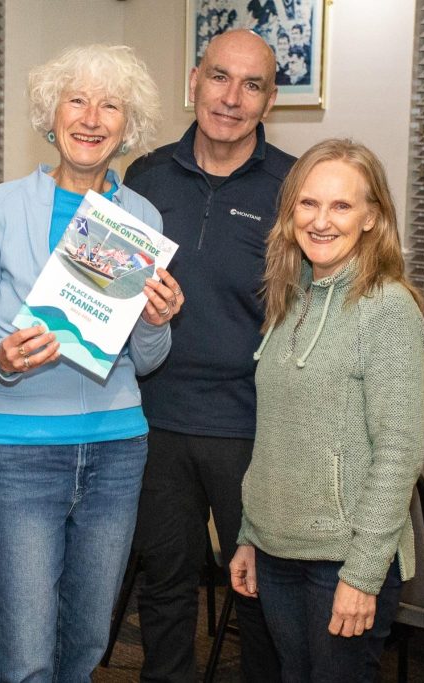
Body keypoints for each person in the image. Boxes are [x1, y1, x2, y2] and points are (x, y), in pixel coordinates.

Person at [0, 44, 182, 682]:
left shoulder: (139, 219)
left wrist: (156, 321)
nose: (92, 116)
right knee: (23, 654)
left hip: (116, 448)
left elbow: (146, 361)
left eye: (110, 104)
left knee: (87, 644)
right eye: (77, 99)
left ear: (126, 126)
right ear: (52, 115)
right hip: (20, 452)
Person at [123, 28, 293, 683]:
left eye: (252, 85)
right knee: (164, 586)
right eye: (220, 78)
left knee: (256, 594)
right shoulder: (146, 175)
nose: (232, 97)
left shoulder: (292, 185)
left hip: (252, 427)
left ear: (269, 100)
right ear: (194, 82)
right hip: (156, 418)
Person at [229, 138, 424, 682]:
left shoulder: (386, 307)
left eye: (341, 205)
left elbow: (399, 452)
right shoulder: (289, 296)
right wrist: (249, 535)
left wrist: (363, 574)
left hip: (342, 559)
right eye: (308, 203)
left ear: (372, 217)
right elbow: (273, 437)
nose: (321, 220)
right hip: (274, 549)